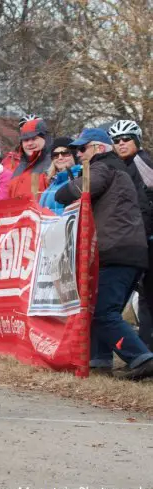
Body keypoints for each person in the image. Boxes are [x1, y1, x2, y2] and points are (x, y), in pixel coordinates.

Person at [55, 128, 153, 380]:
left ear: (98, 148)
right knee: (103, 310)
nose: (78, 154)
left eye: (82, 148)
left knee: (103, 312)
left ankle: (141, 358)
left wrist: (65, 185)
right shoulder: (113, 167)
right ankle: (99, 362)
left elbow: (74, 191)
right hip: (125, 250)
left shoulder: (103, 167)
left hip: (116, 251)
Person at [109, 119, 153, 350]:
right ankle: (145, 350)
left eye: (126, 139)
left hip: (146, 238)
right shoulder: (119, 165)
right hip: (137, 241)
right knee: (145, 298)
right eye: (116, 141)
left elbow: (145, 204)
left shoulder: (141, 162)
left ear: (137, 140)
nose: (121, 143)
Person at [7, 117, 52, 199]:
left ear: (45, 139)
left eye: (34, 138)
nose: (30, 143)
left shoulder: (53, 164)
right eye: (26, 140)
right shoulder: (19, 168)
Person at [39, 137, 81, 215]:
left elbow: (78, 212)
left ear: (74, 156)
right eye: (55, 155)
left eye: (65, 153)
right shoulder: (53, 183)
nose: (60, 157)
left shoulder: (79, 180)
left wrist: (49, 214)